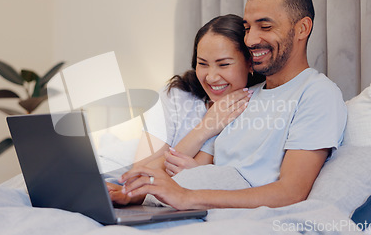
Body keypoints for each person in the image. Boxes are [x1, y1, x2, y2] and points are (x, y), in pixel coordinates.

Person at [117, 0, 347, 210]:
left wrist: (188, 197)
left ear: (302, 29)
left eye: (265, 27)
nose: (250, 39)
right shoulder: (239, 99)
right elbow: (189, 168)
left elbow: (291, 192)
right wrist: (130, 193)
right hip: (185, 206)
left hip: (221, 212)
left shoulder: (317, 93)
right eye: (247, 28)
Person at [107, 14, 264, 204]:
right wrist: (204, 128)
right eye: (202, 64)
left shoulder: (257, 104)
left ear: (249, 63)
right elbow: (137, 175)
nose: (212, 77)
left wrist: (195, 173)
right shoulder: (176, 95)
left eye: (224, 64)